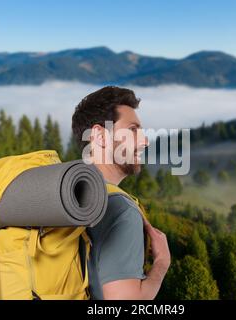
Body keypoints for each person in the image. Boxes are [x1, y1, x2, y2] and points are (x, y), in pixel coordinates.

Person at [71, 86, 171, 300]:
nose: (144, 141)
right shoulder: (119, 209)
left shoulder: (63, 194)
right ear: (99, 136)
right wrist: (162, 264)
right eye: (133, 130)